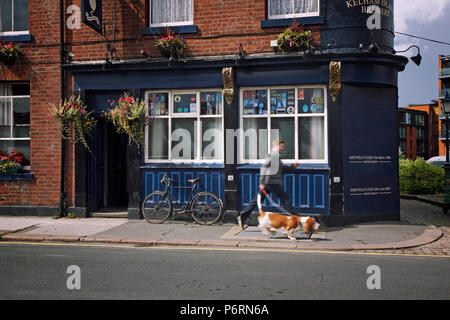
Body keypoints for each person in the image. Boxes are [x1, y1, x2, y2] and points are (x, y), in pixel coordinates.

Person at [237, 138, 299, 229]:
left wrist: (293, 166)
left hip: (270, 183)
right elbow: (264, 168)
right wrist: (262, 183)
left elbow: (281, 168)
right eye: (281, 146)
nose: (282, 148)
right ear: (276, 146)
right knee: (285, 199)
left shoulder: (276, 155)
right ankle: (296, 219)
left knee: (257, 201)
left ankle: (243, 216)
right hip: (272, 183)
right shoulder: (273, 155)